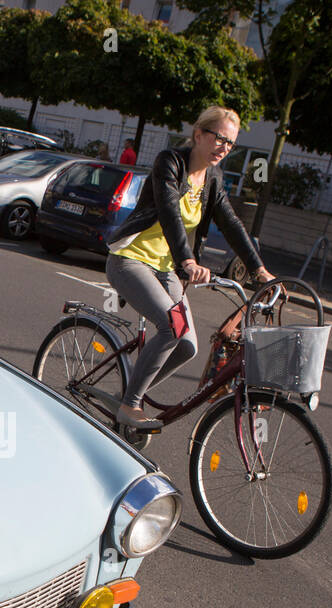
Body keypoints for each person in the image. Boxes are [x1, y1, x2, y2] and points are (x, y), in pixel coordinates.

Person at [105, 106, 274, 428]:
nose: (224, 147)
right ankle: (130, 405)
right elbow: (169, 212)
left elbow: (231, 223)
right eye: (219, 138)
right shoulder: (170, 162)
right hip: (130, 260)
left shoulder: (212, 178)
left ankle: (130, 393)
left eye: (231, 143)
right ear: (198, 135)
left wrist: (259, 270)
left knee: (187, 346)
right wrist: (188, 260)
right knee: (171, 327)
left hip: (165, 269)